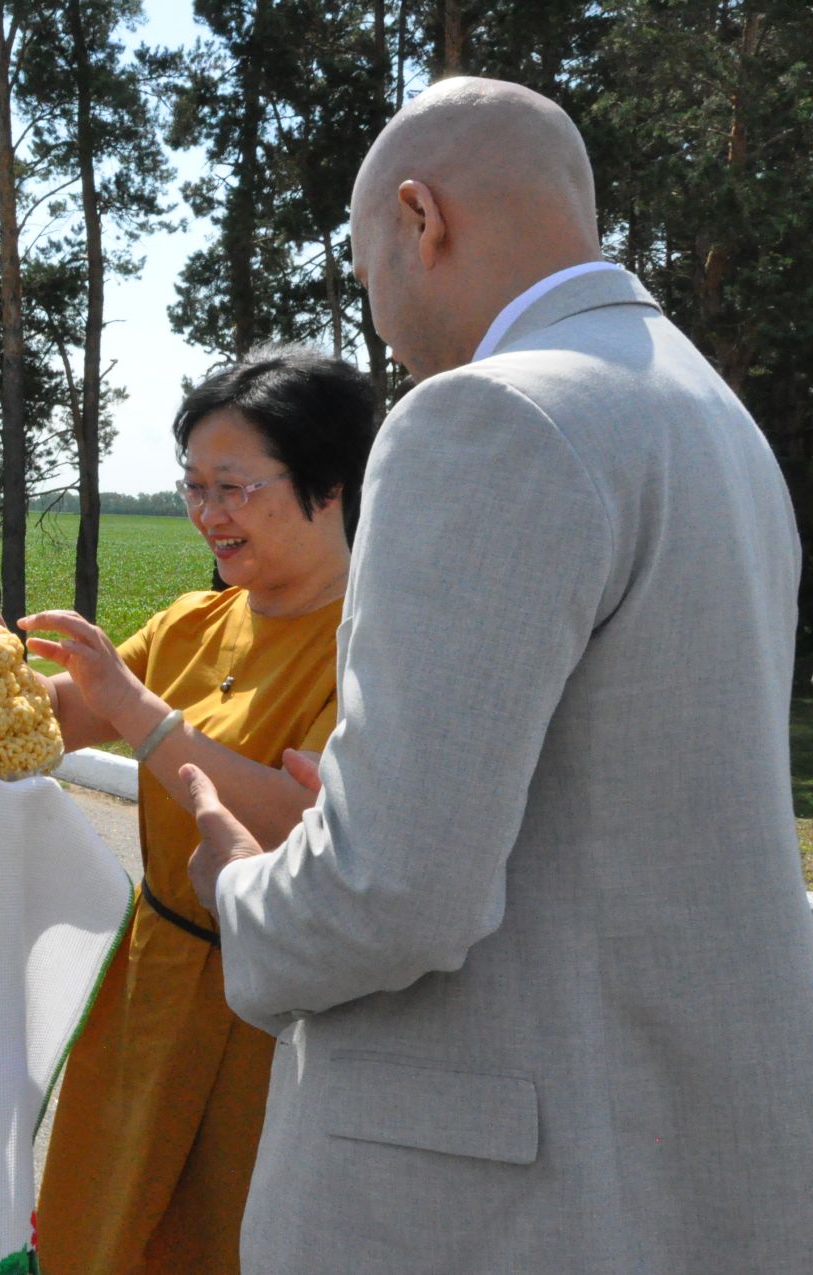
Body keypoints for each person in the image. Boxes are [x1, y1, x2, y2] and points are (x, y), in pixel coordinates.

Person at [182, 78, 813, 1272]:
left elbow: (393, 892)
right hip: (677, 1152)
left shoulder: (485, 418)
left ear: (422, 219)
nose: (381, 323)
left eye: (370, 272)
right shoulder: (713, 418)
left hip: (496, 1193)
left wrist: (245, 885)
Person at [0, 347, 376, 1273]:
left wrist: (142, 712)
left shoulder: (371, 640)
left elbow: (295, 817)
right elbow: (61, 716)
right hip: (146, 987)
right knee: (98, 1225)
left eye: (234, 487)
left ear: (329, 484)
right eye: (194, 485)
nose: (208, 514)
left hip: (265, 1012)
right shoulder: (194, 620)